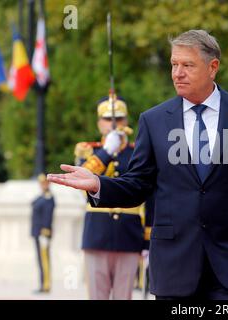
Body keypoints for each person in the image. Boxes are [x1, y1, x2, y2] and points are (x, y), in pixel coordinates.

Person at [48, 29, 228, 300]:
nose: (177, 73)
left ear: (213, 67)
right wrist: (99, 184)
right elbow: (138, 184)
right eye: (174, 64)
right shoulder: (154, 120)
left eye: (187, 65)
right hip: (174, 266)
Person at [73, 95, 151, 300]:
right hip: (97, 233)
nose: (113, 123)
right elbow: (82, 182)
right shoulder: (89, 150)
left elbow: (149, 195)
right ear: (99, 123)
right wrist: (107, 151)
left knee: (124, 296)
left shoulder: (138, 152)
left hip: (129, 234)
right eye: (108, 119)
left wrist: (148, 241)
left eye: (119, 118)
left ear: (126, 121)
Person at [31, 173, 55, 293]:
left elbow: (48, 215)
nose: (42, 185)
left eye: (44, 182)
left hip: (43, 233)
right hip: (37, 232)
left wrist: (45, 231)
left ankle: (46, 285)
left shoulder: (49, 197)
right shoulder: (42, 196)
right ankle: (43, 284)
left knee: (44, 260)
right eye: (41, 183)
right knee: (40, 260)